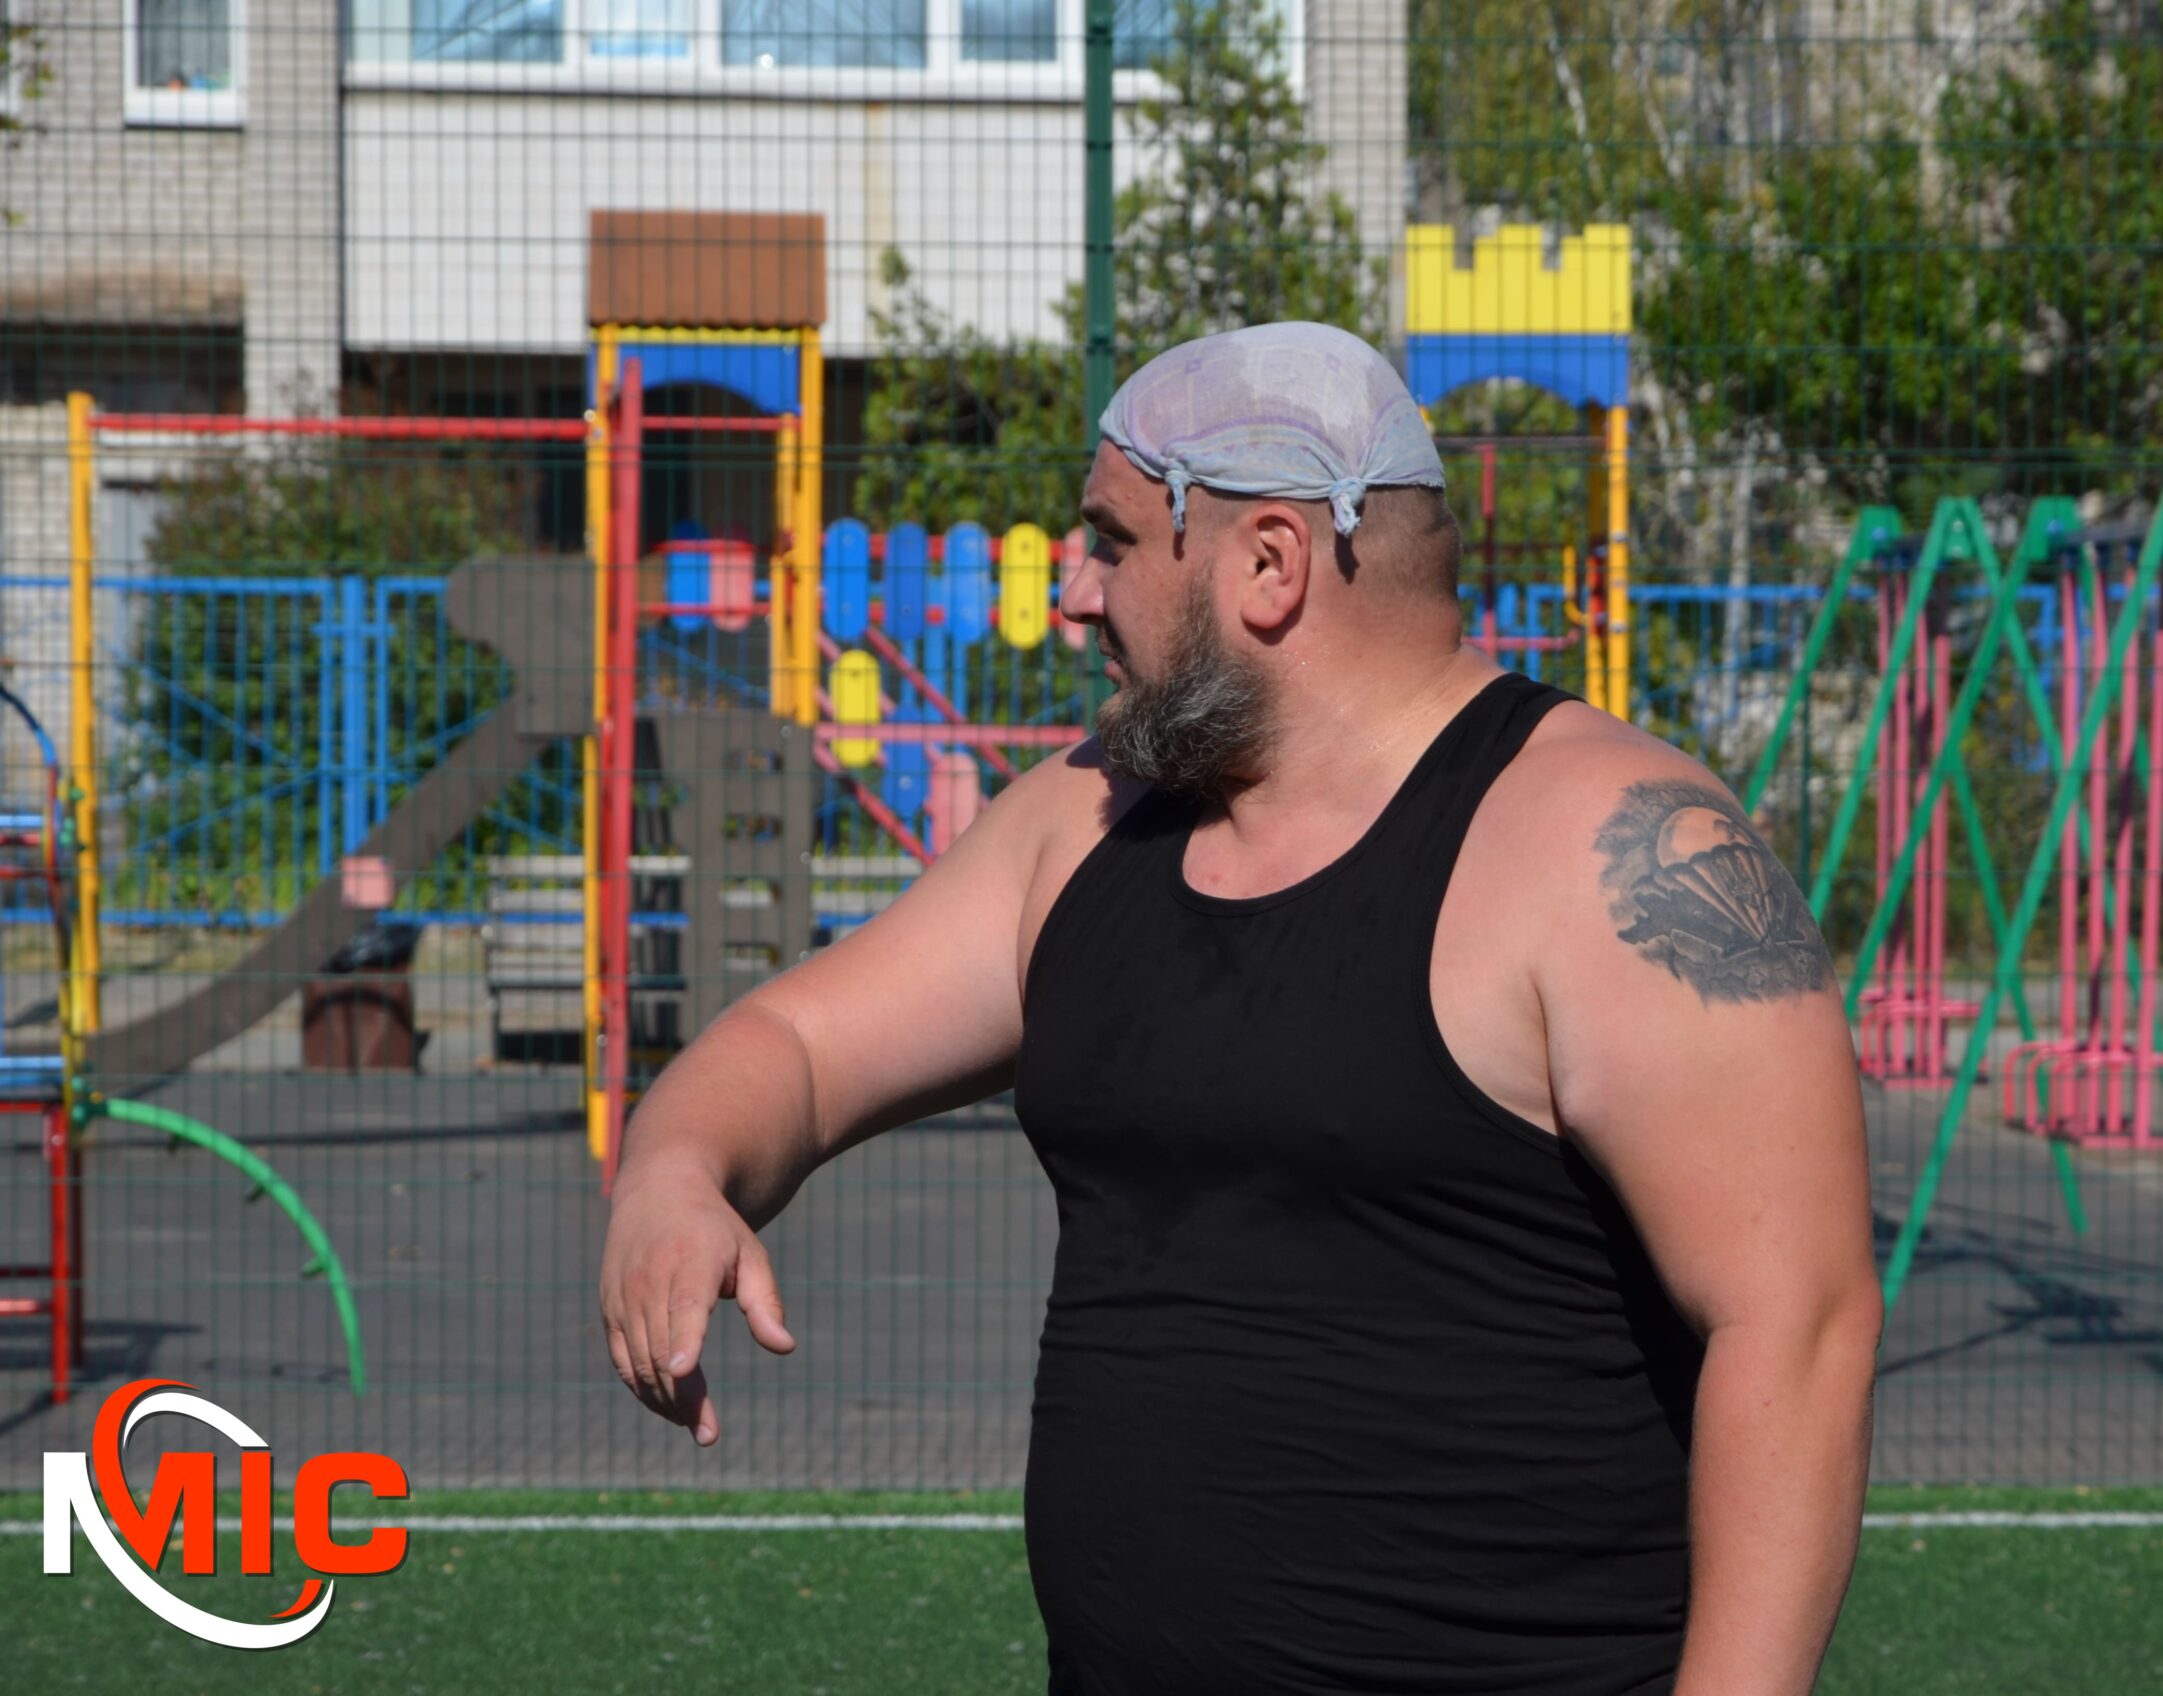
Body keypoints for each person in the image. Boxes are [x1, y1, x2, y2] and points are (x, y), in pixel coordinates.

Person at [599, 322, 1879, 1696]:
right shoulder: (1086, 825)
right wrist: (674, 1177)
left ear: (1269, 562)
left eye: (1111, 541)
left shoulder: (1612, 846)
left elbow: (1796, 1327)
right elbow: (792, 1046)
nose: (1076, 595)